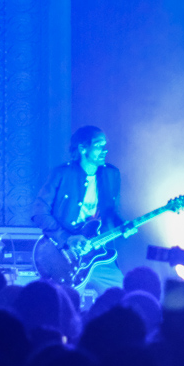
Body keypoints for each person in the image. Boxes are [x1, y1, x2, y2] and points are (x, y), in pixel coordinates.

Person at [32, 125, 125, 295]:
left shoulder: (112, 174)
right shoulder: (61, 173)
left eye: (105, 145)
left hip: (98, 255)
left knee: (122, 300)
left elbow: (111, 213)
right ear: (82, 148)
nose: (104, 150)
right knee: (63, 307)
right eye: (98, 146)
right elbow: (39, 213)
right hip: (62, 255)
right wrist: (67, 238)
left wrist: (123, 225)